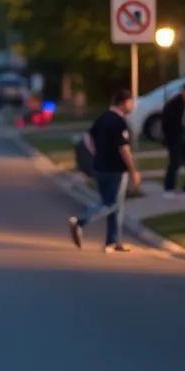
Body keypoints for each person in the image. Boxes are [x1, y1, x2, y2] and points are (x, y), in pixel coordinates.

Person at [68, 88, 141, 253]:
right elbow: (124, 149)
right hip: (116, 169)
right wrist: (133, 170)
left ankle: (113, 241)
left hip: (100, 167)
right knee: (112, 203)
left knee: (116, 205)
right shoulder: (119, 121)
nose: (133, 105)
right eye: (132, 102)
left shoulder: (102, 118)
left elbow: (88, 139)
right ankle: (80, 222)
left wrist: (97, 155)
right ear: (125, 102)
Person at [160, 87, 185, 198]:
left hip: (175, 137)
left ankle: (174, 185)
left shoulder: (178, 103)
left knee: (178, 161)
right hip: (174, 137)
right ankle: (169, 187)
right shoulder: (176, 105)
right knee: (174, 162)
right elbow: (170, 123)